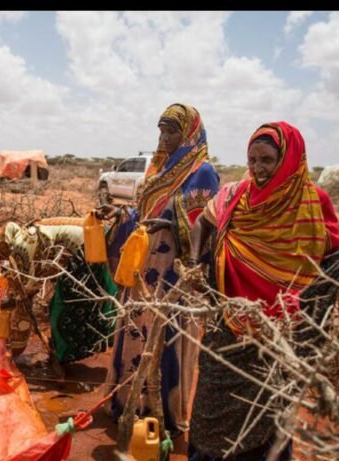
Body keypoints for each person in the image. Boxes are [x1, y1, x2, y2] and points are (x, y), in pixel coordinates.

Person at [187, 121, 339, 460]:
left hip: (280, 335)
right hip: (226, 327)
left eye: (267, 160)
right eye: (252, 159)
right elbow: (202, 221)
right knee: (212, 403)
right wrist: (193, 262)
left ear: (289, 159)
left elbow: (331, 259)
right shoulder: (234, 196)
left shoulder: (314, 203)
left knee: (269, 414)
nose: (258, 169)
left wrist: (305, 316)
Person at [98, 103, 220, 439]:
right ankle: (127, 403)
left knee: (166, 338)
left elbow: (204, 227)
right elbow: (141, 215)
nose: (164, 138)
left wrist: (168, 223)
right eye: (161, 130)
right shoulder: (157, 169)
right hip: (142, 269)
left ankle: (160, 413)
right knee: (134, 335)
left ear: (190, 133)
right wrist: (122, 216)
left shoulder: (202, 172)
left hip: (172, 274)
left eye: (172, 131)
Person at [0, 219, 118, 374]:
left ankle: (63, 356)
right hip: (85, 252)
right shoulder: (22, 237)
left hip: (86, 255)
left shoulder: (22, 246)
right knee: (61, 306)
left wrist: (13, 302)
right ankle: (62, 353)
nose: (3, 259)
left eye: (0, 255)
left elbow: (26, 287)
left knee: (63, 309)